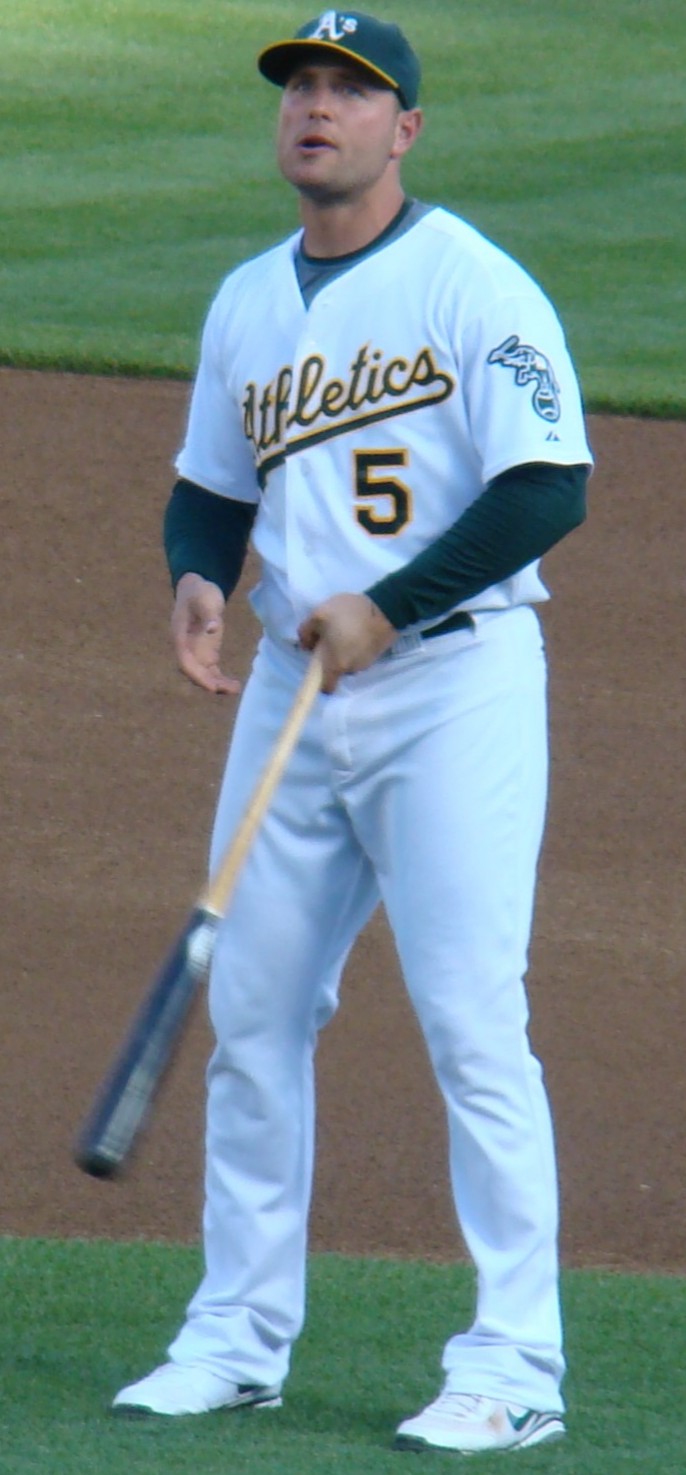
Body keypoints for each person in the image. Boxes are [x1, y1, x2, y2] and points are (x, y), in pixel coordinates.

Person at [112, 9, 592, 1455]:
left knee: (470, 1025)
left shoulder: (472, 287)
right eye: (299, 89)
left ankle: (513, 1368)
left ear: (405, 130)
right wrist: (199, 573)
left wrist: (387, 603)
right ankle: (235, 1339)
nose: (315, 109)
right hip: (289, 695)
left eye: (349, 91)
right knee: (254, 1017)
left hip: (452, 686)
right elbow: (212, 486)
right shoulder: (251, 300)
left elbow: (543, 488)